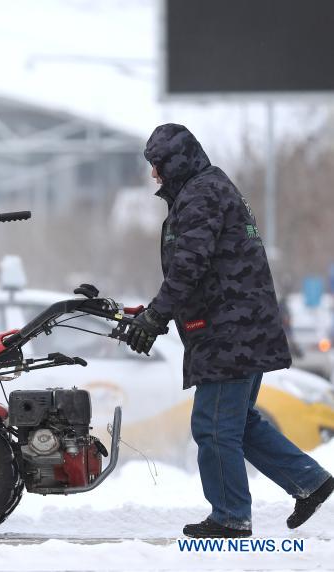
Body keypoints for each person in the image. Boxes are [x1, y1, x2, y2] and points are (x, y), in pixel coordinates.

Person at [125, 123, 333, 539]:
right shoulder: (207, 187)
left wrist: (156, 316)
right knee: (237, 423)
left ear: (178, 160)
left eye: (158, 164)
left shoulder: (201, 194)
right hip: (238, 326)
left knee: (213, 426)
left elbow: (190, 265)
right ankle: (308, 481)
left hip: (229, 330)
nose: (154, 175)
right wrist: (153, 310)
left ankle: (230, 517)